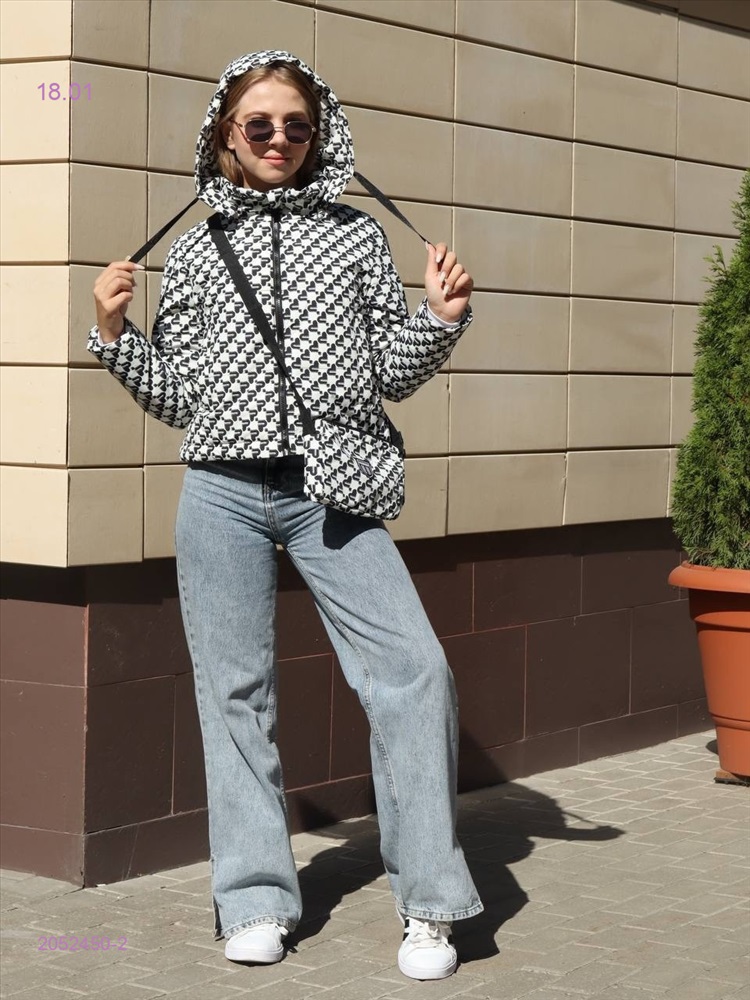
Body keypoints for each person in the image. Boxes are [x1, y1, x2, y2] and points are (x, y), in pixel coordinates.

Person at [90, 50, 482, 981]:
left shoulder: (355, 238)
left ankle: (430, 906)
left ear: (319, 133)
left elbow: (390, 373)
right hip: (220, 491)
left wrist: (438, 319)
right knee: (235, 693)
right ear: (227, 133)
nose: (279, 139)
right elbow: (181, 398)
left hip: (332, 490)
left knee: (414, 673)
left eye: (296, 125)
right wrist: (112, 335)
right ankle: (256, 899)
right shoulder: (197, 248)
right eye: (259, 125)